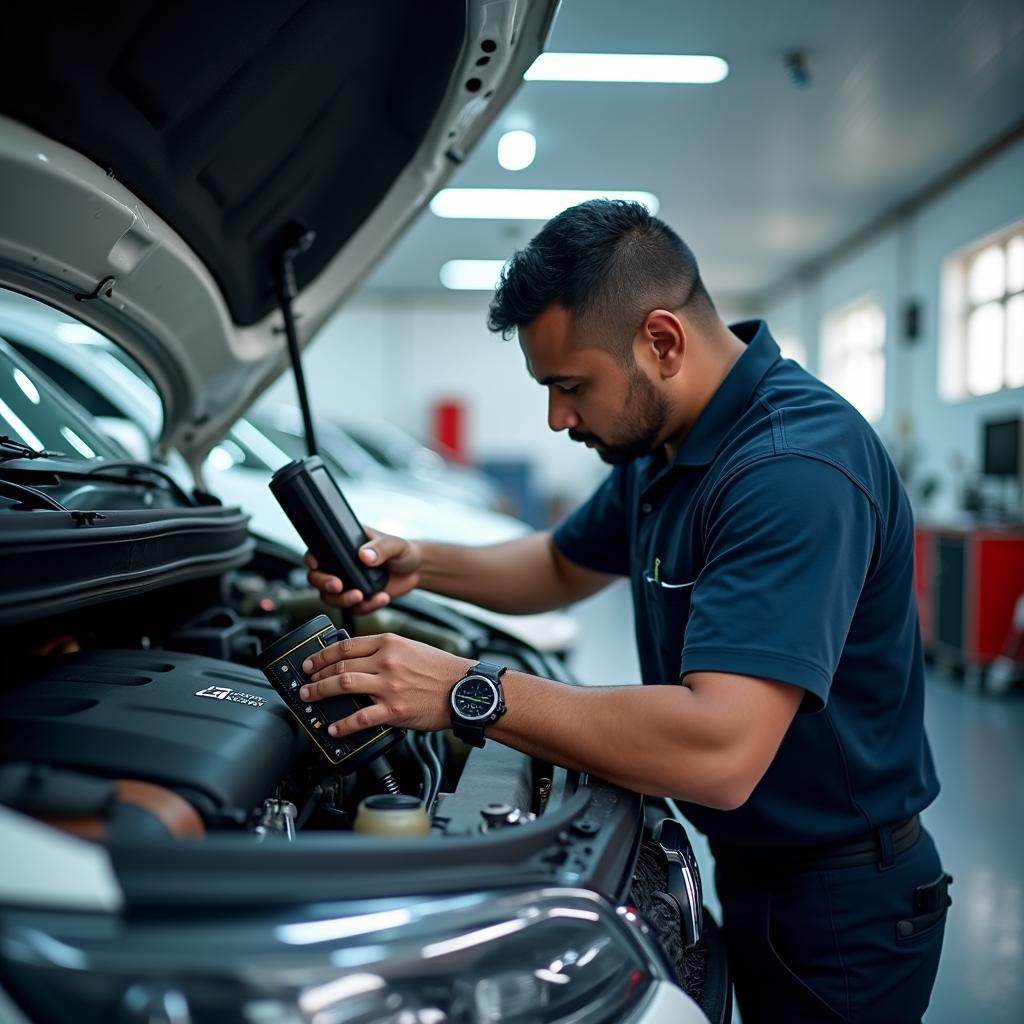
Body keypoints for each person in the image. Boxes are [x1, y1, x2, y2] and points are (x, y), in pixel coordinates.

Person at [301, 199, 949, 1022]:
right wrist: (421, 566)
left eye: (571, 387)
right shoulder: (669, 443)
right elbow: (560, 564)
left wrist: (471, 690)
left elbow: (720, 749)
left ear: (662, 341)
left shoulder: (791, 470)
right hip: (762, 868)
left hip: (844, 904)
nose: (557, 418)